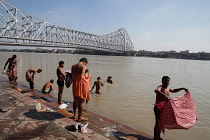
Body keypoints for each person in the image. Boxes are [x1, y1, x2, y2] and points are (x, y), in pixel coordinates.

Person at [153, 76, 188, 140]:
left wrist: (182, 88)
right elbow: (156, 90)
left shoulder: (168, 88)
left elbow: (174, 90)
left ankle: (158, 137)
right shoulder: (160, 87)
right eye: (165, 81)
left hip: (164, 108)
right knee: (157, 123)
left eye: (168, 81)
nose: (167, 82)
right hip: (158, 107)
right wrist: (164, 95)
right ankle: (155, 138)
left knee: (161, 123)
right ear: (162, 81)